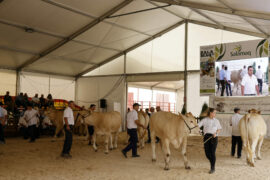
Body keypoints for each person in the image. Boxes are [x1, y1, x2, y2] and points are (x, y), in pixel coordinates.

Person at [198, 108, 222, 174]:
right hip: (206, 137)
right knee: (207, 153)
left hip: (214, 138)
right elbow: (197, 126)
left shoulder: (216, 121)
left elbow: (219, 129)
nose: (215, 114)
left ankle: (212, 168)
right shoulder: (204, 120)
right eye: (214, 112)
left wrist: (216, 133)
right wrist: (199, 131)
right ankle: (212, 162)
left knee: (212, 153)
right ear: (210, 113)